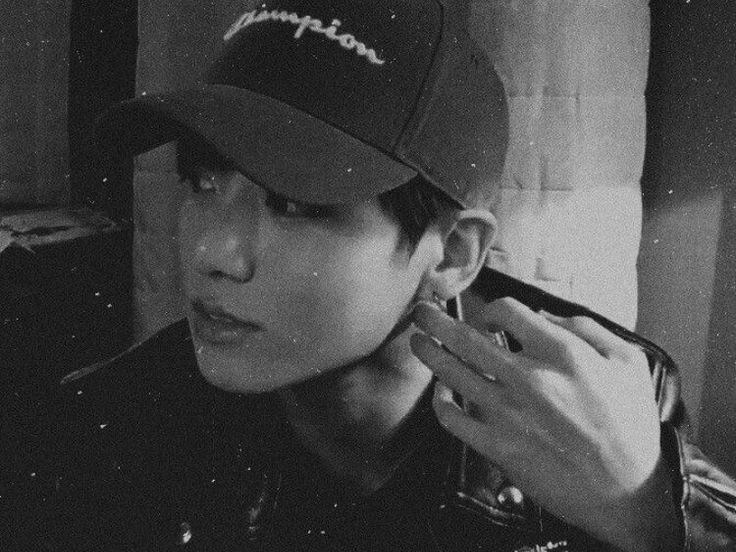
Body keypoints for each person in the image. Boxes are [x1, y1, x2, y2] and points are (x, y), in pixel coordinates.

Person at [4, 0, 736, 550]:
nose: (211, 254)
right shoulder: (108, 428)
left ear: (452, 255)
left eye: (293, 202)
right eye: (201, 182)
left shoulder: (608, 408)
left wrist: (650, 511)